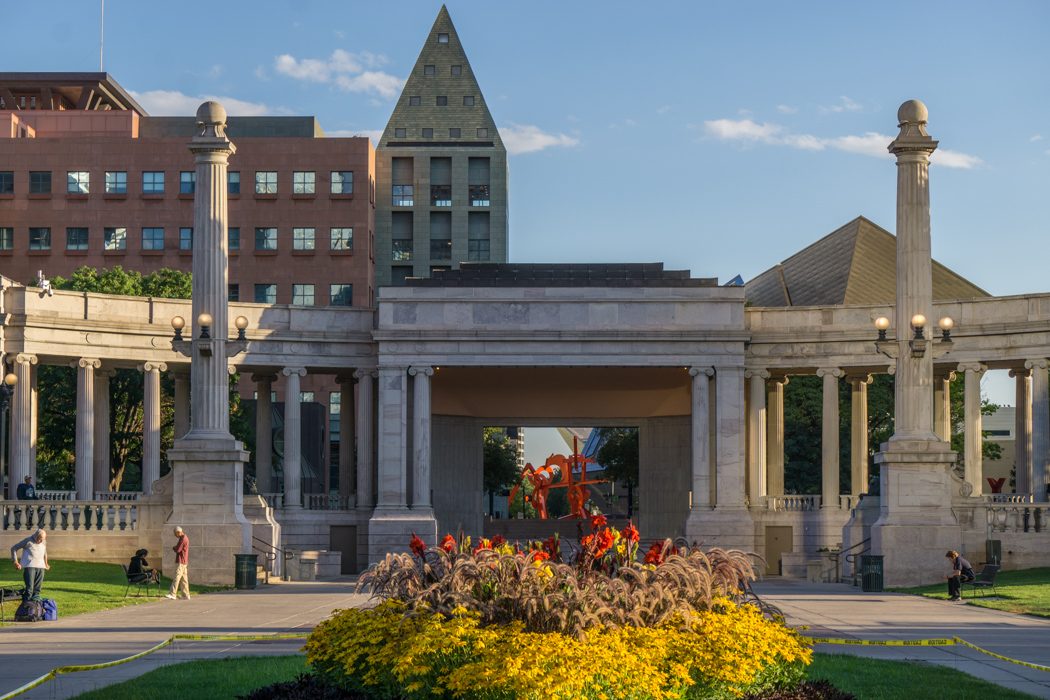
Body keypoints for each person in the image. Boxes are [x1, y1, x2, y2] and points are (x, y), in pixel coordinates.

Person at [11, 529, 50, 602]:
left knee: (37, 590)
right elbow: (14, 548)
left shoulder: (43, 542)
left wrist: (46, 563)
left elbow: (45, 552)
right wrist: (15, 562)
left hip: (41, 567)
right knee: (29, 590)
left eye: (43, 539)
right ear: (36, 536)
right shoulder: (28, 540)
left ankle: (35, 608)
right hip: (30, 566)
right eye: (40, 539)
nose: (41, 541)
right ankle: (26, 606)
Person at [165, 526, 190, 600]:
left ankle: (172, 594)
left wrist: (174, 547)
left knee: (177, 577)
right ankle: (186, 595)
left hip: (181, 561)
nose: (175, 536)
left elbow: (178, 549)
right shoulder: (185, 538)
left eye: (175, 534)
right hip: (184, 561)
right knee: (184, 579)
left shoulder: (182, 539)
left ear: (178, 532)